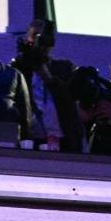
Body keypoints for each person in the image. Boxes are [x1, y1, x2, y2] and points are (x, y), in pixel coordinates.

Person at [13, 18, 82, 151]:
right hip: (30, 142)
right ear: (27, 38)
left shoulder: (64, 68)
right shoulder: (17, 70)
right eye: (35, 36)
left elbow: (70, 101)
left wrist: (48, 77)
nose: (41, 42)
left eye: (45, 38)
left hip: (63, 141)